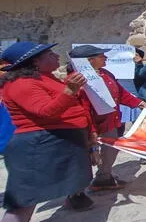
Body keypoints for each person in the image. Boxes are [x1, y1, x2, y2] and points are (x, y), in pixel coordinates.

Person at [0, 42, 95, 220]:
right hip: (38, 145)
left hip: (58, 140)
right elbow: (45, 112)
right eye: (50, 54)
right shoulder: (21, 83)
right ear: (35, 61)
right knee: (25, 199)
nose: (57, 56)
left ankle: (75, 199)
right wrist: (69, 90)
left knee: (72, 179)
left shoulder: (45, 77)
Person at [69, 45, 146, 192]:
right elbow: (82, 107)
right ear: (90, 60)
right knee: (88, 155)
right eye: (101, 56)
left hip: (110, 121)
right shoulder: (76, 80)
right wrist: (92, 131)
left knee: (111, 149)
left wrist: (138, 103)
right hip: (91, 124)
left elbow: (120, 92)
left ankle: (103, 177)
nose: (105, 58)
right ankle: (77, 192)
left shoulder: (105, 73)